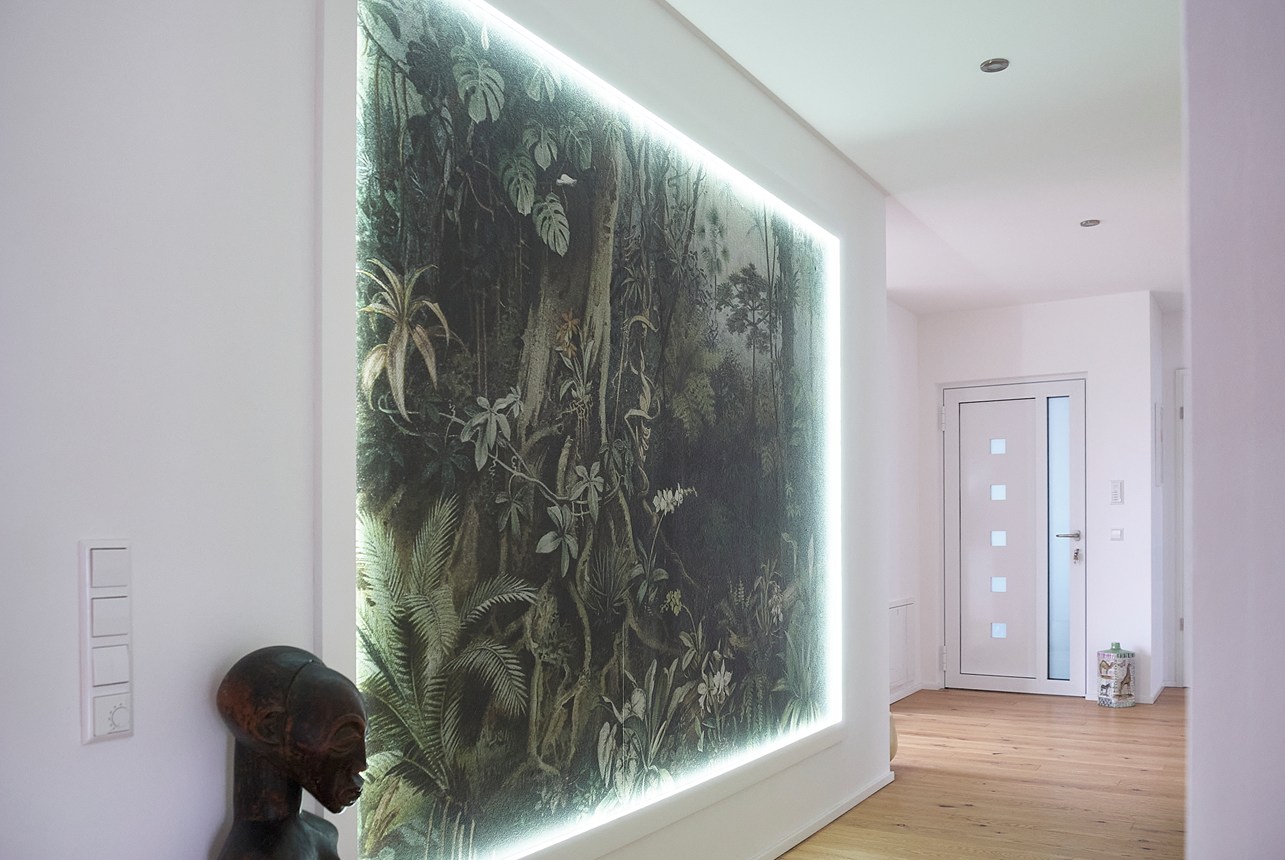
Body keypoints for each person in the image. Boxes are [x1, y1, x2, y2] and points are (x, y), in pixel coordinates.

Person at [215, 646, 367, 860]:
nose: (362, 763)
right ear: (270, 728)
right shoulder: (257, 855)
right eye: (343, 740)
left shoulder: (322, 833)